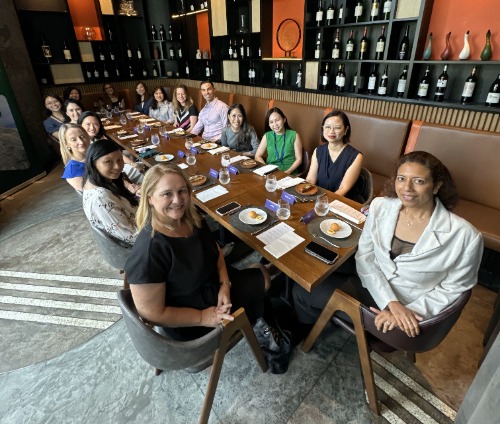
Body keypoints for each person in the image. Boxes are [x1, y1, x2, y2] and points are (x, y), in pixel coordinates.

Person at [293, 151, 483, 338]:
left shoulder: (465, 236)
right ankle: (318, 318)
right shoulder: (380, 206)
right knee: (307, 267)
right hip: (374, 284)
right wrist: (390, 302)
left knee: (302, 291)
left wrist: (406, 311)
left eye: (419, 181)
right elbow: (365, 255)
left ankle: (309, 331)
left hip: (406, 309)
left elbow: (454, 288)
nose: (407, 188)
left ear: (436, 186)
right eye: (401, 178)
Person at [123, 165, 270, 341]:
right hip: (190, 319)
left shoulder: (192, 218)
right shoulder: (149, 251)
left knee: (260, 272)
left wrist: (225, 284)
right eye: (167, 194)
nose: (177, 200)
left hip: (211, 286)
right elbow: (150, 313)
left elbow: (215, 250)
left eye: (182, 191)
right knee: (264, 276)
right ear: (150, 199)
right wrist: (202, 317)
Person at [82, 139, 139, 244]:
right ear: (93, 163)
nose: (117, 166)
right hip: (141, 245)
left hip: (141, 221)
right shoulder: (100, 198)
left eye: (119, 159)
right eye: (108, 161)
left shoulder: (99, 180)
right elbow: (132, 237)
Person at [306, 110, 363, 197]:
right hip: (317, 198)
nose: (331, 131)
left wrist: (322, 203)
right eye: (327, 127)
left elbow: (343, 189)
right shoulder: (318, 151)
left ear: (346, 130)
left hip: (340, 202)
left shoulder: (356, 157)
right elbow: (310, 180)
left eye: (337, 127)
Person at [77, 111, 144, 183]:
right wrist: (126, 182)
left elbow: (115, 154)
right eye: (88, 124)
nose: (92, 127)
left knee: (136, 163)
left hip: (112, 167)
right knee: (138, 171)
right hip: (104, 175)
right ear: (80, 126)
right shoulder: (83, 145)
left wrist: (132, 163)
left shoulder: (97, 138)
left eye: (96, 124)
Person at [255, 107, 303, 175]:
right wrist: (266, 169)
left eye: (277, 120)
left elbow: (299, 159)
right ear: (269, 124)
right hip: (271, 173)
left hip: (290, 173)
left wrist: (288, 172)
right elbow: (257, 156)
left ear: (284, 119)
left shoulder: (294, 135)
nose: (275, 124)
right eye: (271, 122)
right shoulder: (267, 136)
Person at [59, 123, 91, 192]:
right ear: (66, 144)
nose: (81, 142)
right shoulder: (72, 171)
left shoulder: (94, 155)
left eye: (82, 136)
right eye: (73, 139)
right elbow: (93, 194)